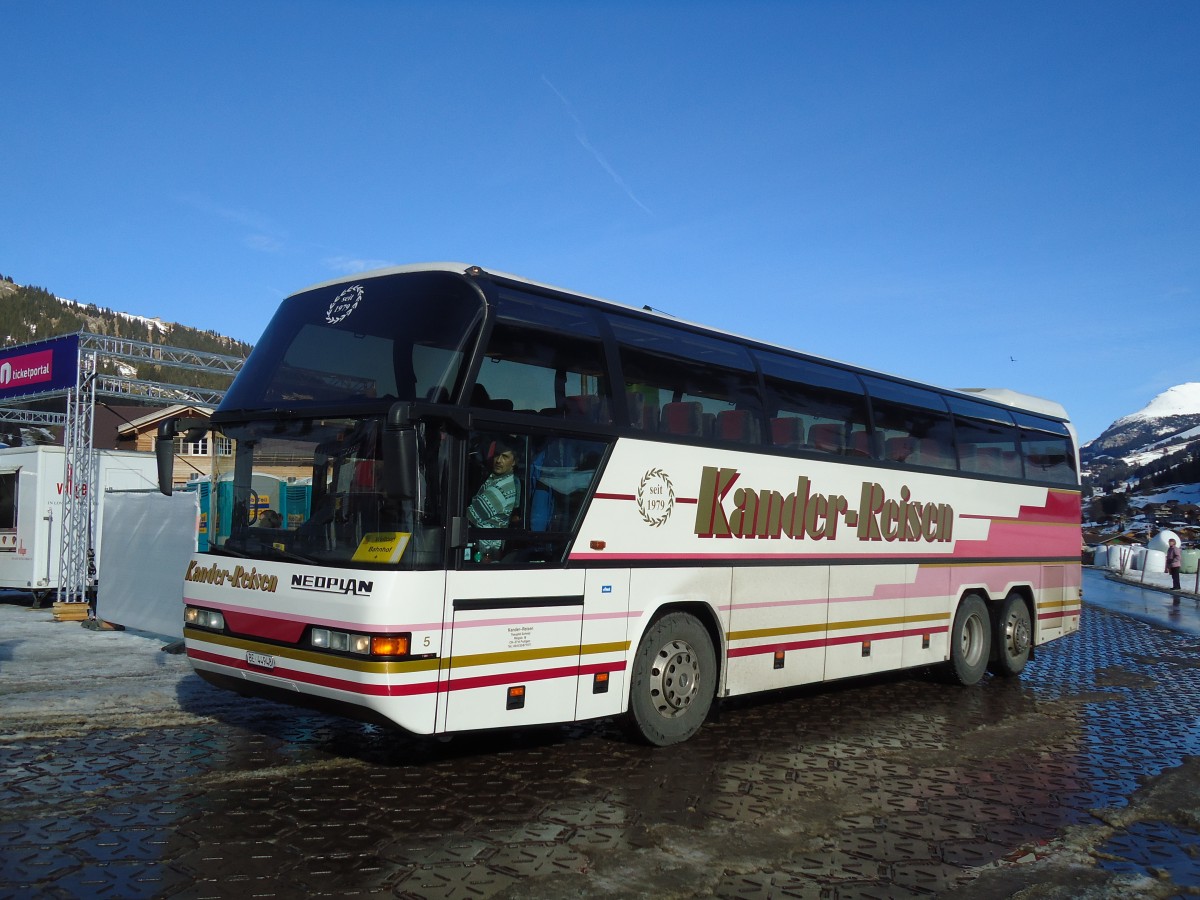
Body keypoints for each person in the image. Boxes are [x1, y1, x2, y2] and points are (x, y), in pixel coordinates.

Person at [467, 439, 519, 561]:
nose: (499, 460)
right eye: (497, 455)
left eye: (505, 457)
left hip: (486, 551)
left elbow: (470, 516)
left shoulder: (502, 489)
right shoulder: (495, 478)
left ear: (514, 462)